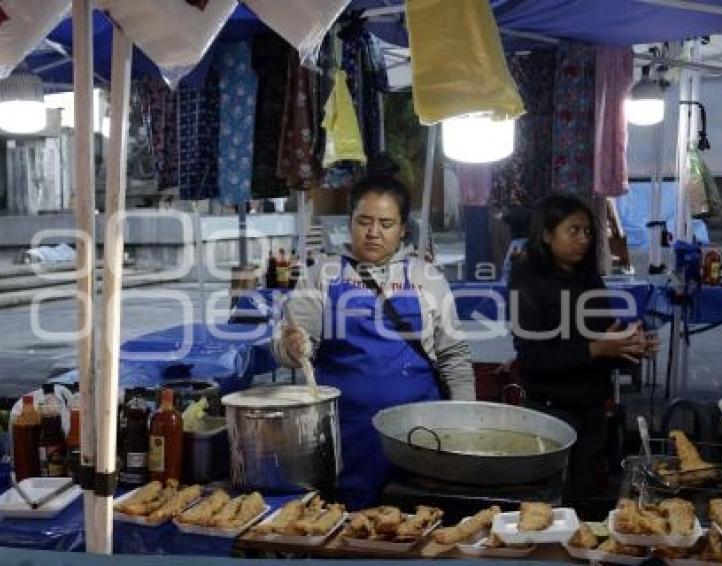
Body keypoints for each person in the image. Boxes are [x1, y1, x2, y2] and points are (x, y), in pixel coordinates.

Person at [273, 172, 475, 509]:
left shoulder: (427, 278)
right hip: (345, 436)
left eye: (385, 223)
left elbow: (453, 356)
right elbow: (289, 348)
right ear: (349, 222)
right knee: (348, 529)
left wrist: (466, 423)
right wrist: (293, 347)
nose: (373, 232)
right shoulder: (322, 274)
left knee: (415, 526)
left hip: (420, 435)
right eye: (363, 221)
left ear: (402, 229)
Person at [508, 194, 657, 504]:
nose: (583, 239)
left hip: (592, 412)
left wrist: (629, 347)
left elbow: (604, 339)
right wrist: (596, 349)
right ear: (547, 235)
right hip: (550, 413)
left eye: (588, 231)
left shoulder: (589, 279)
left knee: (587, 502)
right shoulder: (527, 282)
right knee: (550, 506)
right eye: (573, 230)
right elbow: (532, 359)